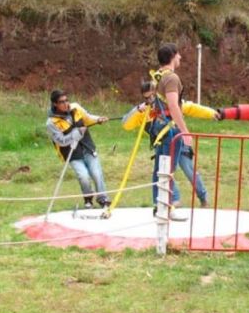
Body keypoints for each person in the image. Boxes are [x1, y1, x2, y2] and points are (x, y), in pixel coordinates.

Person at [149, 42, 219, 218]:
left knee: (160, 168)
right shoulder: (171, 78)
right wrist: (185, 132)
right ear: (172, 56)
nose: (180, 57)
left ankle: (160, 205)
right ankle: (168, 207)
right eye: (178, 55)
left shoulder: (157, 76)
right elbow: (173, 106)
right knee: (168, 169)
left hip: (159, 127)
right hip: (169, 129)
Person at [122, 81, 217, 209]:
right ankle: (174, 199)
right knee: (164, 171)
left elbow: (193, 108)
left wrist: (212, 113)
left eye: (152, 96)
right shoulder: (145, 111)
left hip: (180, 142)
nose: (150, 100)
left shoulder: (171, 104)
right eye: (147, 98)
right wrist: (138, 110)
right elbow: (127, 124)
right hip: (162, 145)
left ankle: (203, 197)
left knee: (188, 170)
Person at [45, 89, 110, 209]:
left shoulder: (76, 108)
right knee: (83, 176)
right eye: (61, 102)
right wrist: (76, 133)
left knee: (96, 173)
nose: (66, 104)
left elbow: (87, 118)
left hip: (88, 147)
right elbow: (60, 141)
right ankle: (88, 199)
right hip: (72, 153)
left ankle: (103, 199)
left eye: (66, 100)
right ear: (55, 104)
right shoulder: (51, 123)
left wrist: (98, 119)